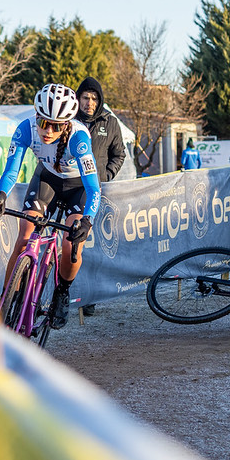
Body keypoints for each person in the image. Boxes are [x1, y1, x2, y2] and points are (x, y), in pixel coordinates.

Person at [0, 83, 100, 330]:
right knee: (25, 237)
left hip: (77, 188)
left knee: (71, 245)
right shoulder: (25, 129)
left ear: (67, 124)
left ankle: (62, 291)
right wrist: (0, 196)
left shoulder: (79, 139)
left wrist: (87, 219)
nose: (47, 131)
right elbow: (11, 171)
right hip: (46, 180)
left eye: (56, 126)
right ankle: (6, 300)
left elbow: (94, 189)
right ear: (35, 117)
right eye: (43, 122)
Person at [75, 76, 125, 316]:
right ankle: (66, 292)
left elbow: (120, 154)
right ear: (78, 98)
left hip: (97, 192)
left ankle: (89, 296)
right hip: (72, 187)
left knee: (93, 248)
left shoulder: (110, 122)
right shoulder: (68, 120)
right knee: (73, 243)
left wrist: (106, 175)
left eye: (94, 98)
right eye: (85, 97)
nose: (89, 103)